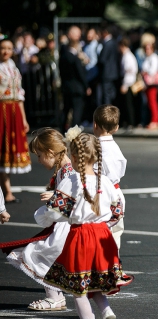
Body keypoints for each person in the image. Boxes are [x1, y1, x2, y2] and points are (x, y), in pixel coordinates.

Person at [34, 130, 129, 319]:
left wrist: (40, 216)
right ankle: (107, 312)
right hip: (103, 236)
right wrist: (105, 225)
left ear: (75, 157)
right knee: (96, 282)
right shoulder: (106, 181)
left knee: (78, 289)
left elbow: (55, 212)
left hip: (81, 237)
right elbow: (118, 209)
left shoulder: (71, 181)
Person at [0, 128, 72, 312]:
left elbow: (72, 201)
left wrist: (55, 199)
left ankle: (56, 298)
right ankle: (56, 296)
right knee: (42, 254)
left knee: (39, 253)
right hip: (62, 225)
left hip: (67, 227)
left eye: (40, 155)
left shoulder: (69, 172)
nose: (38, 160)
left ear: (50, 152)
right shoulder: (64, 170)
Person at [1, 38, 31, 204]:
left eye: (9, 48)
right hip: (1, 112)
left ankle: (8, 190)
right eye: (3, 48)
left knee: (9, 152)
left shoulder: (13, 68)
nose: (6, 51)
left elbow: (19, 97)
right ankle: (7, 191)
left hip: (13, 113)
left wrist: (24, 119)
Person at [93, 105, 127, 251]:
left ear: (95, 125)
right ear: (117, 127)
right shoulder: (116, 148)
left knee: (100, 232)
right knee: (116, 233)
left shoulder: (94, 148)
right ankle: (113, 264)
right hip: (117, 193)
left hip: (102, 195)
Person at [59, 26, 90, 129]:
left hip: (66, 87)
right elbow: (80, 74)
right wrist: (86, 86)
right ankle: (74, 131)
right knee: (77, 111)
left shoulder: (63, 56)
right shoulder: (75, 58)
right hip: (77, 88)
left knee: (66, 109)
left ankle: (63, 129)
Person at [140, 33, 158, 130]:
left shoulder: (154, 57)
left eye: (149, 48)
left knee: (153, 102)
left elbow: (153, 70)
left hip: (152, 83)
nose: (147, 50)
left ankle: (155, 121)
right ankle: (152, 120)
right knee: (149, 102)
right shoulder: (147, 57)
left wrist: (145, 72)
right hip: (147, 83)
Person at [96, 24, 119, 106]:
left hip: (106, 74)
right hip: (113, 73)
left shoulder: (107, 44)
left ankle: (108, 115)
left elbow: (102, 59)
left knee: (106, 96)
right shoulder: (114, 42)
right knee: (110, 94)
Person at [118, 38, 138, 130]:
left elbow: (129, 72)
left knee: (128, 104)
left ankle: (131, 122)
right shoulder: (126, 56)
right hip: (128, 82)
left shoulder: (128, 57)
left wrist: (125, 85)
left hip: (129, 83)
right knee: (127, 104)